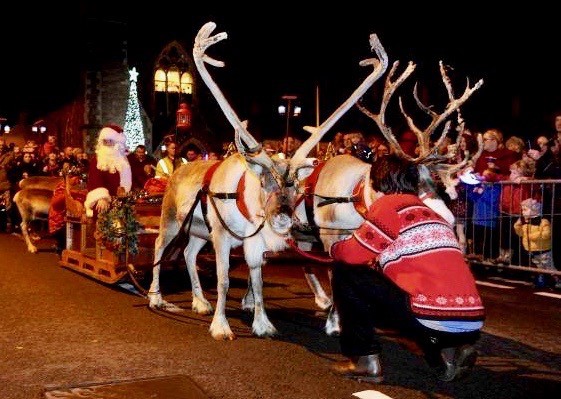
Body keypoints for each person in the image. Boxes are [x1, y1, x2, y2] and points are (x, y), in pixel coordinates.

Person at [329, 154, 485, 383]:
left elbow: (352, 254)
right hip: (471, 320)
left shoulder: (389, 206)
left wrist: (334, 249)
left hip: (429, 314)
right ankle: (447, 349)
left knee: (345, 272)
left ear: (375, 184)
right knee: (407, 293)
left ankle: (364, 360)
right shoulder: (431, 214)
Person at [84, 125, 132, 217]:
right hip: (104, 198)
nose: (107, 144)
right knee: (101, 208)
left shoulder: (124, 159)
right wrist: (102, 197)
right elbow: (95, 180)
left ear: (117, 142)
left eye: (110, 141)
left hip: (123, 197)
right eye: (105, 141)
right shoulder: (97, 159)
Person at [514, 198, 561, 289]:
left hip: (543, 250)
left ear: (534, 209)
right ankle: (542, 281)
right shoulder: (526, 223)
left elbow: (546, 234)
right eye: (522, 210)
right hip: (532, 250)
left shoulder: (543, 221)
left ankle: (557, 280)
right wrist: (517, 226)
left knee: (549, 267)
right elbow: (520, 234)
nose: (523, 212)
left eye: (525, 210)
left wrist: (531, 236)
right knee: (538, 268)